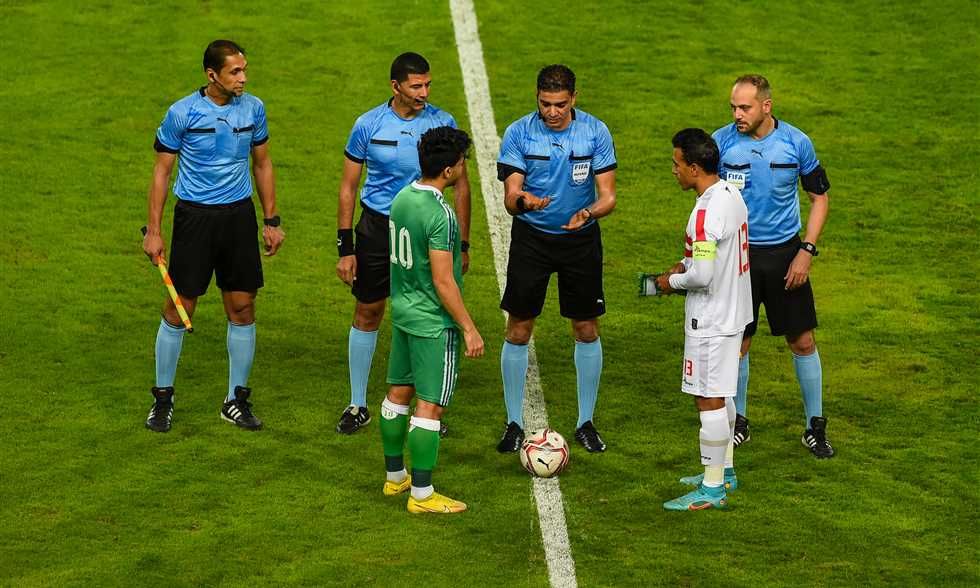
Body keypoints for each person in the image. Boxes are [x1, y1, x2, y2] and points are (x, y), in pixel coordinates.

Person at [143, 40, 285, 433]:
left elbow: (262, 163)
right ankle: (163, 399)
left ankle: (235, 400)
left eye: (244, 70)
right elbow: (161, 172)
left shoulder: (254, 109)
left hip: (238, 218)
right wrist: (154, 231)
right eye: (235, 72)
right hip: (195, 219)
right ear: (212, 75)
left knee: (242, 306)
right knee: (180, 307)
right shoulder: (182, 113)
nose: (243, 78)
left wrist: (271, 220)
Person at [335, 52, 471, 436]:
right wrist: (346, 247)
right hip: (378, 227)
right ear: (395, 86)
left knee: (427, 315)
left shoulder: (443, 124)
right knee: (368, 309)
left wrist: (462, 243)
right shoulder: (368, 124)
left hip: (426, 227)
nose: (424, 93)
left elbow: (462, 187)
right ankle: (357, 403)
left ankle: (426, 411)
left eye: (427, 85)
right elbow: (348, 187)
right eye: (416, 86)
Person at [495, 64, 617, 453]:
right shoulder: (518, 133)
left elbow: (608, 196)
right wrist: (524, 201)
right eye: (545, 104)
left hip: (580, 241)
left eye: (560, 104)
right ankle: (513, 423)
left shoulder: (595, 132)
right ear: (537, 98)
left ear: (574, 99)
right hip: (531, 240)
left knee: (586, 328)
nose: (552, 112)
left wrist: (588, 213)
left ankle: (586, 422)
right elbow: (511, 196)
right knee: (518, 328)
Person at [713, 75, 834, 458]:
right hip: (738, 257)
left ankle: (814, 427)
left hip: (785, 256)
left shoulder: (796, 143)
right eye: (733, 107)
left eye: (744, 107)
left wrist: (806, 251)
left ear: (766, 106)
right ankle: (738, 423)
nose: (737, 115)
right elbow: (706, 199)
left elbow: (819, 198)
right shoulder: (721, 143)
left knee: (802, 341)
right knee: (738, 343)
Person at [379, 126, 484, 514]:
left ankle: (395, 477)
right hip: (432, 322)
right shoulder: (442, 215)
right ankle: (422, 495)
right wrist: (468, 327)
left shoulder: (402, 198)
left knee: (398, 393)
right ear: (449, 170)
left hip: (403, 312)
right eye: (462, 162)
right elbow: (443, 280)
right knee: (430, 406)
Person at [655, 128, 752, 511]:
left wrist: (671, 282)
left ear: (694, 168)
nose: (674, 170)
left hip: (711, 320)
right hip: (735, 311)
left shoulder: (705, 211)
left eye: (677, 164)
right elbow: (712, 257)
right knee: (722, 392)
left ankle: (712, 490)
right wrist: (688, 263)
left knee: (707, 398)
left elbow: (703, 276)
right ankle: (724, 471)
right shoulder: (731, 194)